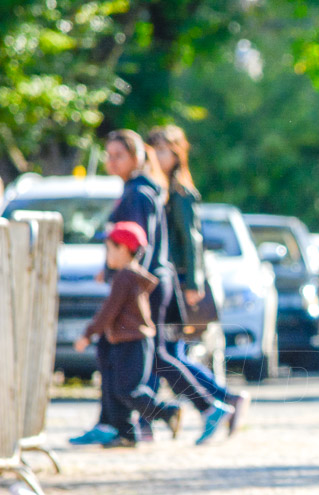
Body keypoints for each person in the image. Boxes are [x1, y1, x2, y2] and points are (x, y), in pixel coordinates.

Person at [71, 129, 231, 446]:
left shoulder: (138, 193)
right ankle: (120, 426)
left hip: (144, 285)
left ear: (136, 157)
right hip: (146, 282)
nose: (111, 161)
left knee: (145, 354)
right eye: (109, 154)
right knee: (133, 352)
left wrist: (125, 280)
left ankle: (207, 406)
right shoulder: (140, 189)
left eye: (119, 155)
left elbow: (136, 243)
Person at [147, 125, 250, 434]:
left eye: (163, 150)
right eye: (153, 150)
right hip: (170, 281)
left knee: (167, 354)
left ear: (177, 154)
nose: (157, 156)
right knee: (171, 354)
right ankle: (224, 399)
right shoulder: (161, 189)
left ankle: (217, 402)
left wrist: (193, 283)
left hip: (178, 282)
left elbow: (192, 242)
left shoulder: (179, 194)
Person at [73, 222, 182, 448]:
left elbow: (109, 310)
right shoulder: (126, 275)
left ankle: (167, 411)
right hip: (125, 341)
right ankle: (126, 435)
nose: (107, 255)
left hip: (133, 342)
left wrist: (88, 334)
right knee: (116, 390)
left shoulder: (125, 277)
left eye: (109, 249)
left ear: (123, 249)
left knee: (127, 390)